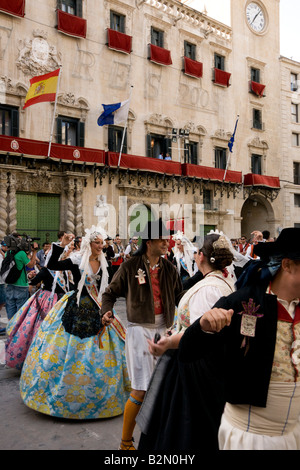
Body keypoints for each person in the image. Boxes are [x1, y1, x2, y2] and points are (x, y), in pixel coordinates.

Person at [176, 227, 300, 450]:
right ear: (287, 265)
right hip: (252, 436)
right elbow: (188, 351)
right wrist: (204, 326)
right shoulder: (243, 302)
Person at [19, 226, 130, 420]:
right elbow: (52, 264)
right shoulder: (77, 260)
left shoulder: (105, 263)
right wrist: (61, 245)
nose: (100, 246)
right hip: (75, 306)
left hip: (98, 307)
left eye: (102, 243)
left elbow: (110, 287)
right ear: (89, 243)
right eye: (97, 243)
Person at [137, 232, 235, 451]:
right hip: (201, 362)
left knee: (184, 427)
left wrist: (167, 343)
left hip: (195, 368)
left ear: (200, 256)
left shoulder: (208, 289)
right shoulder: (216, 281)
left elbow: (198, 334)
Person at [101, 218, 183, 450]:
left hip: (164, 331)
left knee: (163, 384)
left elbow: (180, 297)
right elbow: (109, 294)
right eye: (162, 238)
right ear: (149, 242)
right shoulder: (129, 266)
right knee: (141, 387)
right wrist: (106, 312)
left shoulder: (170, 268)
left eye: (167, 238)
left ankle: (157, 436)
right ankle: (126, 441)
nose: (167, 242)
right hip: (138, 331)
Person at [5, 266, 68, 369]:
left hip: (46, 299)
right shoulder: (68, 269)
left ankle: (33, 358)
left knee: (35, 327)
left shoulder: (47, 269)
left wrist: (31, 276)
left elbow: (34, 282)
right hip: (62, 300)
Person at [5, 236, 39, 321]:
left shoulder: (8, 253)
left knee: (10, 308)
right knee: (20, 311)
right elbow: (31, 265)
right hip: (21, 286)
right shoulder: (21, 254)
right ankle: (17, 329)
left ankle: (10, 328)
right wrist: (34, 252)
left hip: (10, 284)